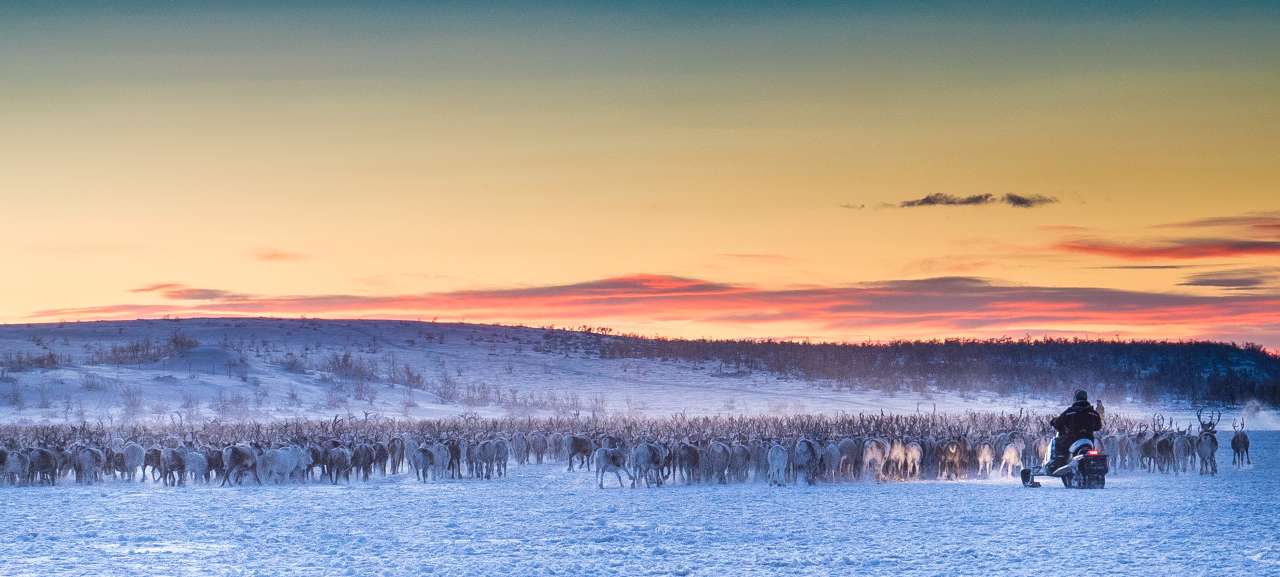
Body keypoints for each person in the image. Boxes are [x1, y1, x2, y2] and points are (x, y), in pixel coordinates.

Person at [1043, 389, 1103, 473]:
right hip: (1088, 440)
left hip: (1072, 439)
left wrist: (1053, 422)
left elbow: (1058, 423)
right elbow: (1098, 426)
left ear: (1075, 398)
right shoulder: (1093, 413)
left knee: (1056, 442)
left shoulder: (1070, 412)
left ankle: (1056, 464)